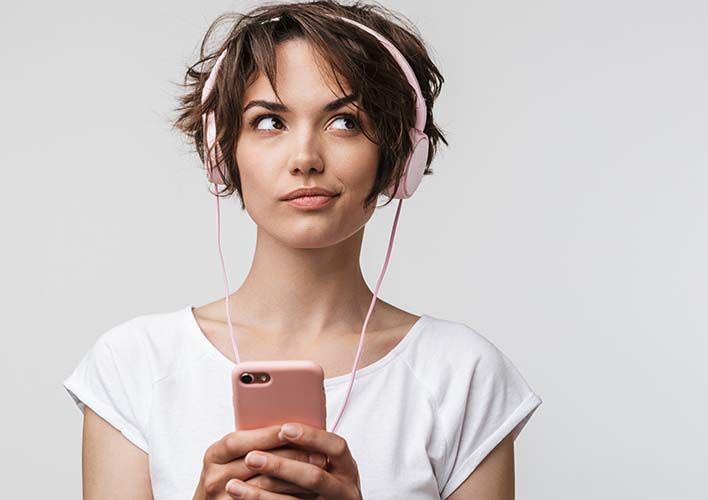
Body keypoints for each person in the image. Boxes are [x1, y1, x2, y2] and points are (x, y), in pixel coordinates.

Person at [62, 1, 542, 499]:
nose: (305, 158)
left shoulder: (462, 372)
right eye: (269, 122)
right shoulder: (133, 364)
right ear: (222, 153)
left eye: (345, 122)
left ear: (398, 160)